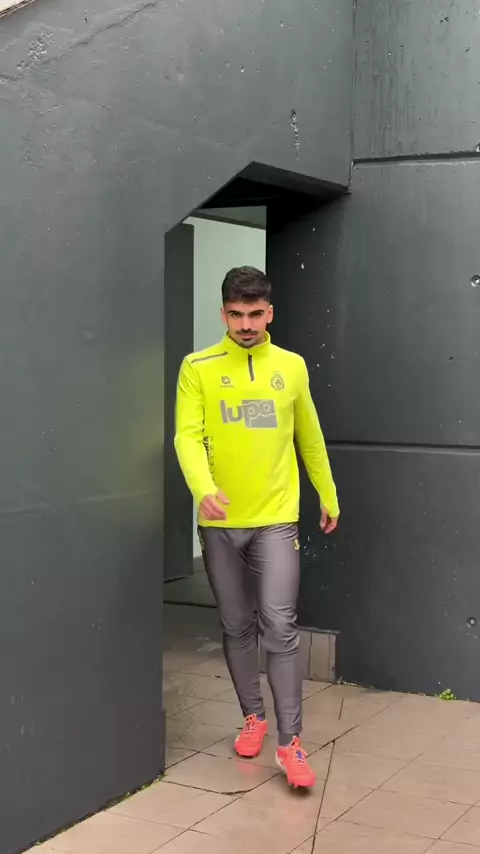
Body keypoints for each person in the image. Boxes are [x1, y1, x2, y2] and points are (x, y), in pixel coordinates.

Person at [174, 266, 339, 789]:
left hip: (275, 519)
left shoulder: (291, 366)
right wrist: (203, 488)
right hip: (220, 522)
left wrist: (328, 492)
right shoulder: (197, 367)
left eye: (255, 314)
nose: (246, 324)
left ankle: (291, 743)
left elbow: (309, 435)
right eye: (236, 314)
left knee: (280, 626)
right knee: (236, 625)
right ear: (223, 314)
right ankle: (253, 717)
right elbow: (186, 436)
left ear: (270, 312)